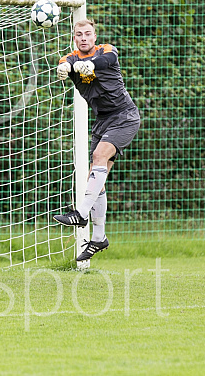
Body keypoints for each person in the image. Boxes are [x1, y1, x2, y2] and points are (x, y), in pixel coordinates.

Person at [53, 19, 140, 261]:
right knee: (97, 178)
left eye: (87, 34)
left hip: (124, 115)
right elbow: (64, 63)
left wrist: (89, 63)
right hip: (102, 121)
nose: (83, 38)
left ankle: (80, 213)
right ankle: (99, 238)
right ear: (74, 38)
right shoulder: (70, 58)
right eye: (78, 34)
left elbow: (107, 60)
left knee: (98, 157)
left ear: (94, 36)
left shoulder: (106, 51)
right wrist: (64, 68)